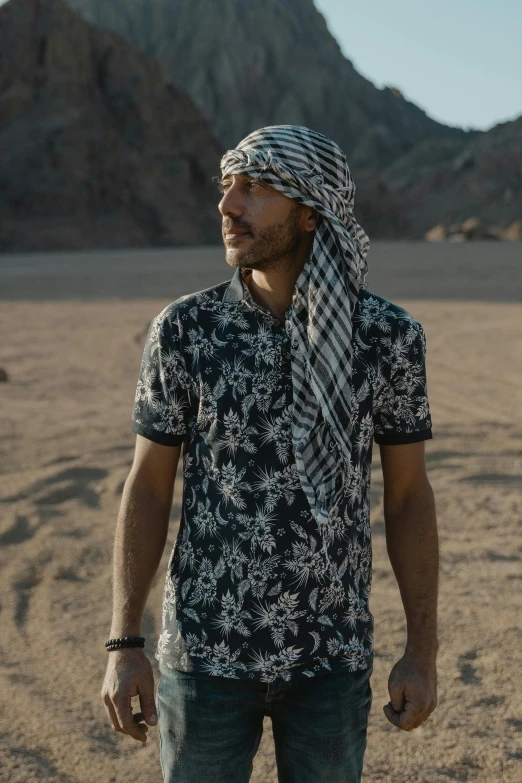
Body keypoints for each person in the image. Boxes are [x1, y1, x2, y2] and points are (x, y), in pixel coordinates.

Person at [101, 125, 438, 783]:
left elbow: (407, 496)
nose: (228, 205)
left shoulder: (387, 338)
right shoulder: (186, 331)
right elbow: (147, 486)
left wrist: (421, 651)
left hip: (330, 662)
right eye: (228, 186)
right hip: (203, 659)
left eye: (254, 188)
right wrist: (124, 643)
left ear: (310, 211)